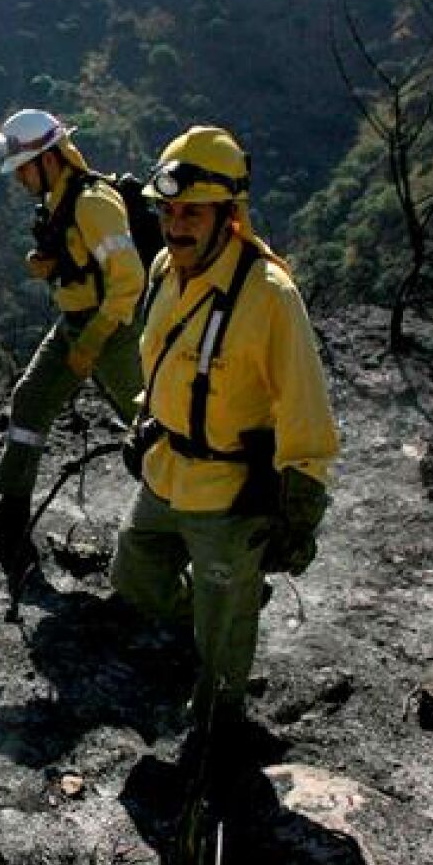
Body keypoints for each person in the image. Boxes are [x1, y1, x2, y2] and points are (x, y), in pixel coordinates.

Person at [109, 126, 339, 744]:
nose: (175, 226)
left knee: (221, 640)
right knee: (134, 577)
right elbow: (161, 357)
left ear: (229, 217)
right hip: (165, 469)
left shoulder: (269, 298)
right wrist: (143, 418)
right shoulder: (165, 269)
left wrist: (300, 506)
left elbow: (304, 407)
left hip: (228, 493)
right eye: (169, 211)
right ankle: (230, 604)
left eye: (192, 213)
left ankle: (217, 727)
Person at [0, 108, 146, 575]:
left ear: (48, 159)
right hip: (74, 322)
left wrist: (93, 340)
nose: (19, 178)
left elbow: (128, 280)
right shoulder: (58, 200)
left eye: (23, 167)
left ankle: (191, 524)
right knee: (30, 402)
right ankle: (12, 509)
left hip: (112, 331)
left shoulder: (92, 203)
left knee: (152, 427)